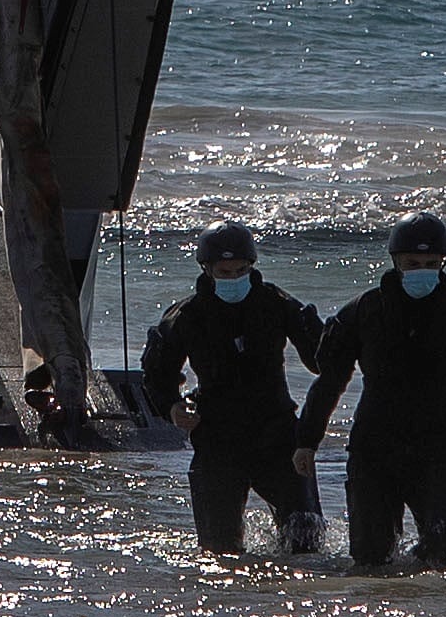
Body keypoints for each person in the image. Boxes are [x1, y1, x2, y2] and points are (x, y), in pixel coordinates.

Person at [292, 212, 446, 569]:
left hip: (437, 450)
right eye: (412, 263)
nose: (421, 270)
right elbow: (330, 381)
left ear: (443, 263)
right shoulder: (363, 311)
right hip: (373, 452)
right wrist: (307, 441)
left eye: (430, 263)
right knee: (371, 560)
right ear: (395, 262)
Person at [136, 222, 325, 556]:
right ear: (207, 270)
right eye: (224, 272)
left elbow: (320, 361)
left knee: (306, 542)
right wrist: (172, 407)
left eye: (241, 270)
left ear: (252, 267)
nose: (234, 279)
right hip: (217, 439)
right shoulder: (187, 315)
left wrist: (326, 338)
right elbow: (157, 374)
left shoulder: (275, 303)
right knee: (219, 551)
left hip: (278, 434)